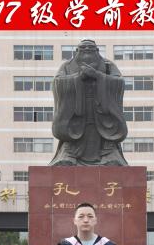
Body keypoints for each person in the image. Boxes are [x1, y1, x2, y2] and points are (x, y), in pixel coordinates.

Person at [49, 39, 129, 167]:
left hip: (101, 106)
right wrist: (79, 77)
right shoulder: (67, 66)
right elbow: (58, 83)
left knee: (106, 128)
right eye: (83, 47)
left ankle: (108, 153)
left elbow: (118, 82)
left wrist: (97, 75)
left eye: (90, 48)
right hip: (76, 107)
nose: (87, 49)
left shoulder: (108, 65)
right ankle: (69, 153)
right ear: (77, 51)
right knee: (73, 128)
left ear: (97, 50)